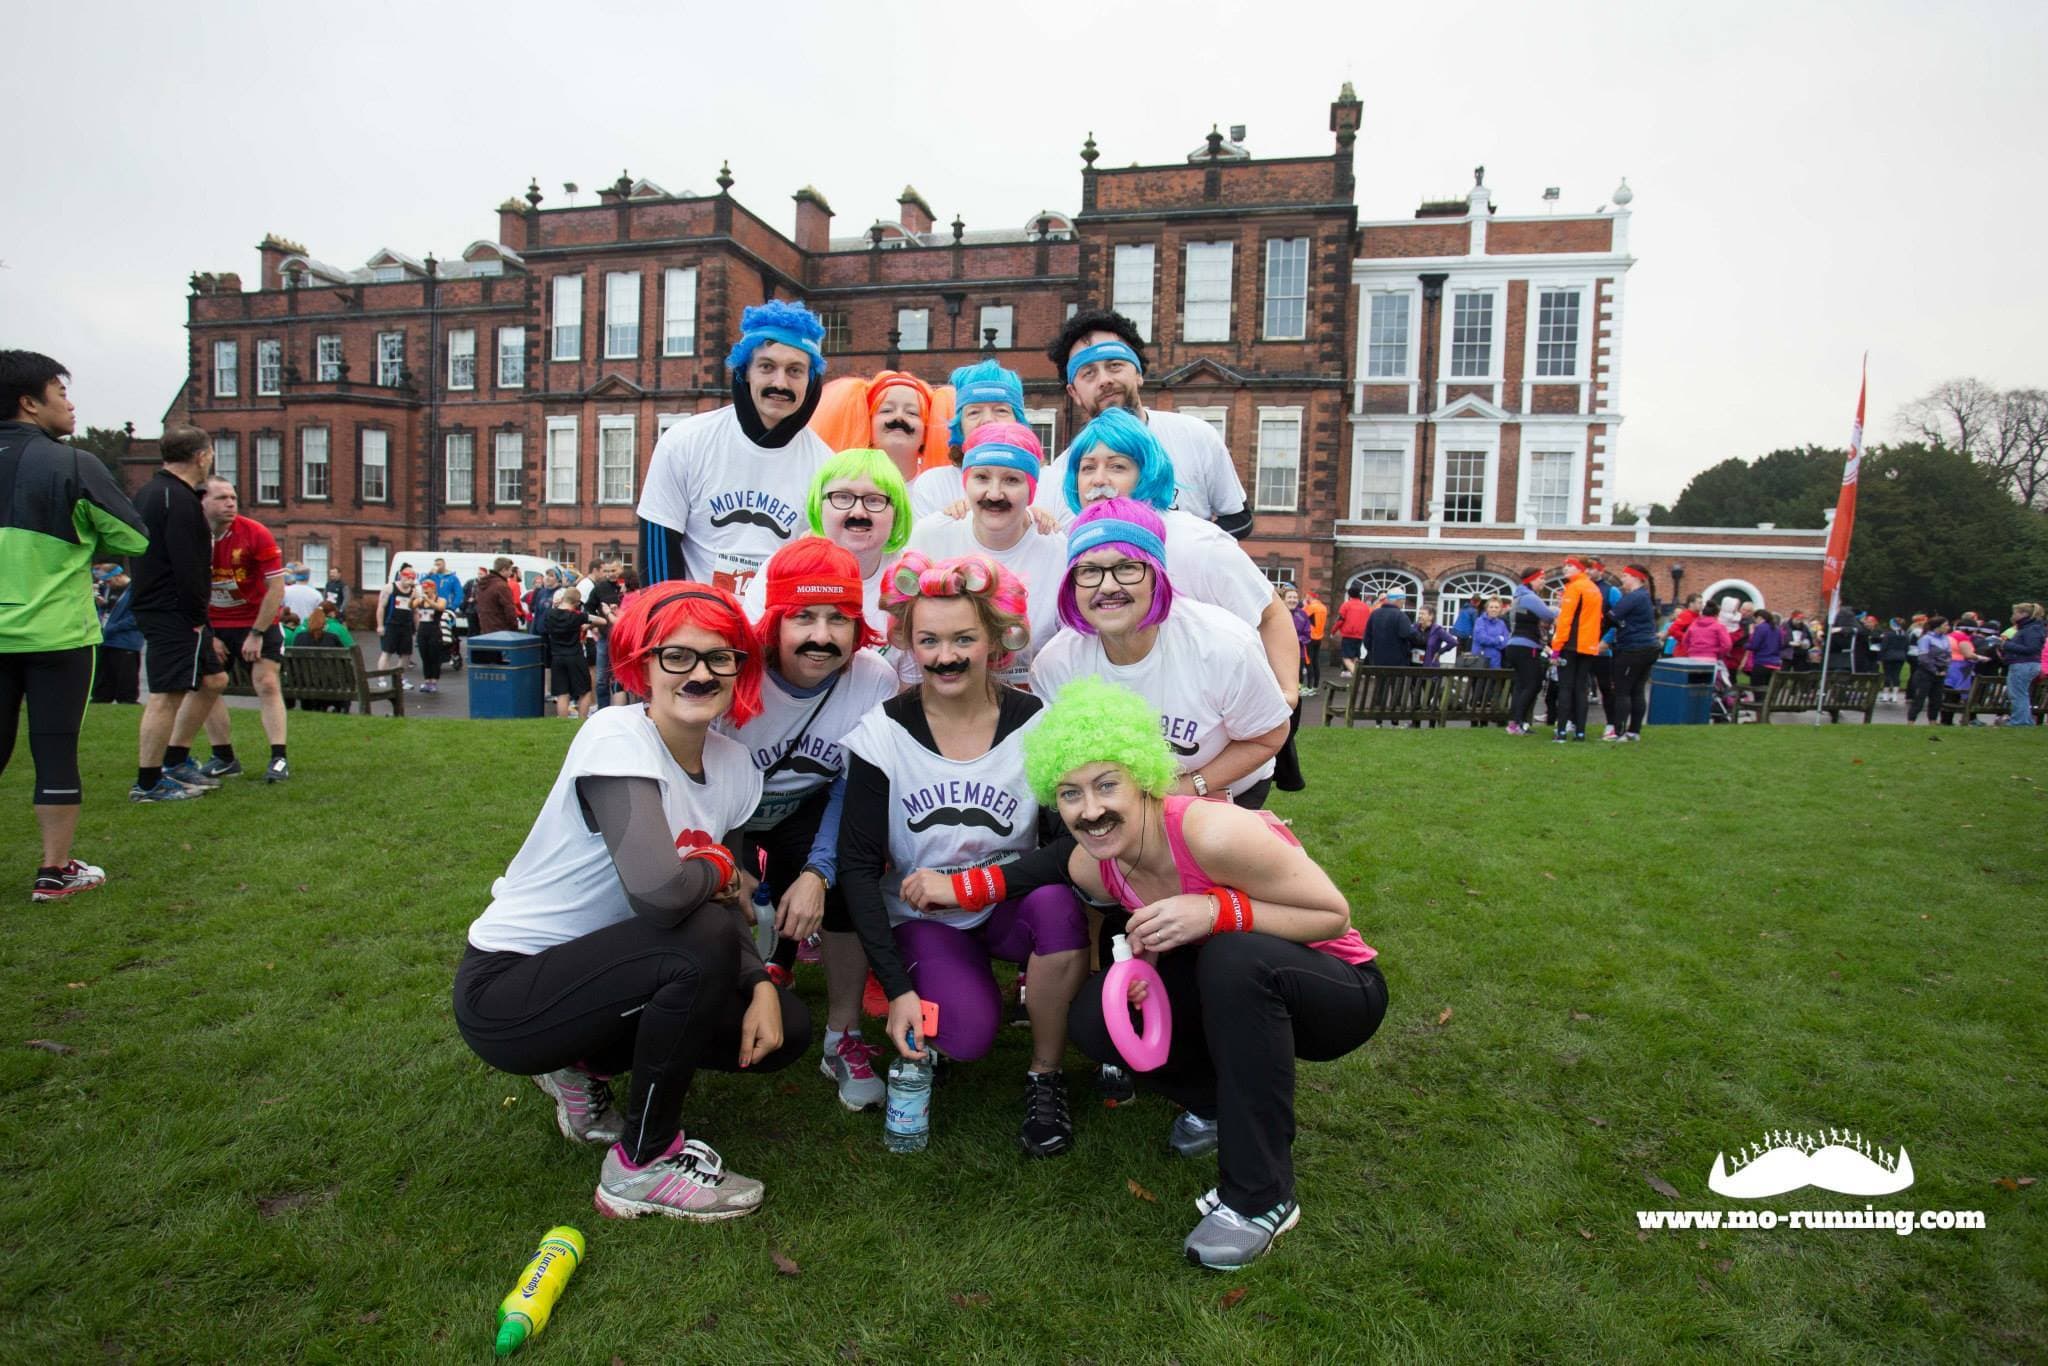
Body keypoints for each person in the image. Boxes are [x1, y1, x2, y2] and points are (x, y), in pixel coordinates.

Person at [905, 676, 1384, 1269]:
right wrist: (1144, 967)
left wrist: (1215, 909)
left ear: (1145, 781)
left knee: (1234, 956)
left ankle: (1261, 1196)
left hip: (1337, 992)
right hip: (1238, 993)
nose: (1092, 810)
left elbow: (1332, 915)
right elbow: (1041, 873)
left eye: (1108, 785)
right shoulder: (1095, 863)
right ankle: (1213, 1104)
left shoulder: (1211, 830)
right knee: (1098, 1017)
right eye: (1071, 794)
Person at [455, 582, 810, 1221]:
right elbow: (661, 893)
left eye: (719, 657)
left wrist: (758, 980)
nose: (700, 673)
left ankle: (580, 1069)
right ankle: (642, 1164)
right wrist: (720, 866)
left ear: (740, 668)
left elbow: (726, 904)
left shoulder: (734, 766)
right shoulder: (615, 735)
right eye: (677, 656)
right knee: (695, 937)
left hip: (609, 973)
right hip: (510, 992)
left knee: (786, 1031)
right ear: (641, 664)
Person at [837, 552, 1091, 1158]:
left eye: (963, 638)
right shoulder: (883, 733)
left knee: (1059, 907)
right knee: (970, 1035)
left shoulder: (1037, 724)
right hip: (923, 919)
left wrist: (975, 885)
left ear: (997, 640)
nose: (945, 656)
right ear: (909, 642)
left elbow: (1069, 848)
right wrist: (896, 988)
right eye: (928, 640)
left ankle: (1045, 1075)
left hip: (1008, 905)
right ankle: (951, 994)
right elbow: (855, 867)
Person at [720, 538, 899, 1109]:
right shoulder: (735, 670)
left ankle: (840, 1036)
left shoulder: (872, 679)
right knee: (715, 898)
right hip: (727, 813)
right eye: (803, 617)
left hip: (805, 807)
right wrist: (728, 860)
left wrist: (819, 872)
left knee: (853, 878)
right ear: (774, 622)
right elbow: (700, 778)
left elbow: (853, 785)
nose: (821, 637)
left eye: (839, 619)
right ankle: (722, 1002)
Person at [1, 351, 149, 896]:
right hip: (55, 633)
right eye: (60, 392)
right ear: (30, 402)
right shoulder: (72, 463)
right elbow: (132, 537)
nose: (71, 402)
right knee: (55, 748)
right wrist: (86, 539)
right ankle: (54, 871)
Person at [1031, 498, 1290, 808]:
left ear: (1157, 575)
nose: (1108, 586)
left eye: (1126, 568)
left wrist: (1188, 788)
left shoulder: (1224, 647)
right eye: (1089, 571)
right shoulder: (1056, 665)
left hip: (1222, 791)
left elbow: (1269, 735)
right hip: (1118, 804)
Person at [639, 300, 835, 593]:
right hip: (699, 627)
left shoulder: (826, 465)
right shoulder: (684, 442)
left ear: (812, 380)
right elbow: (657, 557)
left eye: (795, 371)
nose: (779, 383)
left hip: (776, 629)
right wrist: (672, 626)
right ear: (746, 372)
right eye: (767, 367)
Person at [1038, 309, 1251, 536]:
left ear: (1138, 372)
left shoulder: (1196, 435)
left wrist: (1191, 549)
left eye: (1115, 365)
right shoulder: (1064, 472)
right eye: (1089, 373)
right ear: (1074, 393)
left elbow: (1239, 519)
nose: (1105, 380)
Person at [905, 423, 1067, 689]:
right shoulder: (931, 536)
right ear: (966, 482)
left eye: (1011, 480)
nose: (994, 494)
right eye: (982, 477)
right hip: (944, 696)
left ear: (1031, 490)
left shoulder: (1057, 550)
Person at [744, 446, 914, 663]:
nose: (858, 512)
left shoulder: (909, 578)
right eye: (842, 497)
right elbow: (753, 656)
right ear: (818, 506)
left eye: (874, 500)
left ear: (897, 512)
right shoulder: (782, 568)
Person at [131, 425, 226, 801]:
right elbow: (188, 565)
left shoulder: (156, 493)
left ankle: (175, 760)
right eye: (210, 455)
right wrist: (196, 615)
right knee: (166, 693)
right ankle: (149, 782)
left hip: (173, 607)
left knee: (213, 681)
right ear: (201, 456)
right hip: (173, 610)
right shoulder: (175, 498)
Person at [192, 476, 292, 781]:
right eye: (221, 498)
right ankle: (223, 757)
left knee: (267, 683)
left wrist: (257, 633)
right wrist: (208, 635)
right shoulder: (191, 535)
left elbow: (276, 588)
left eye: (233, 497)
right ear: (202, 502)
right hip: (214, 623)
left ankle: (278, 758)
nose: (230, 503)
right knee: (209, 686)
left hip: (256, 620)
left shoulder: (254, 533)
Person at [908, 360, 1027, 520]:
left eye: (1001, 410)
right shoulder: (933, 484)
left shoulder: (1051, 482)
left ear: (1018, 421)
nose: (987, 420)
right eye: (974, 412)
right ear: (959, 426)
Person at [1549, 558, 1603, 743]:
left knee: (1565, 688)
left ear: (1579, 568)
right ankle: (1580, 731)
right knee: (1581, 689)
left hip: (1571, 644)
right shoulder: (1593, 588)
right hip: (1588, 645)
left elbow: (1566, 619)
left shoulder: (1574, 588)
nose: (1565, 568)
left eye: (1570, 565)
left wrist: (1556, 647)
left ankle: (1562, 731)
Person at [1606, 565, 1659, 741]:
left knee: (1622, 690)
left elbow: (1611, 617)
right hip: (1649, 647)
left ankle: (1619, 732)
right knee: (1637, 690)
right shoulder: (1645, 597)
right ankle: (1633, 731)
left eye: (1625, 576)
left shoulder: (1633, 597)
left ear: (1635, 578)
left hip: (1632, 648)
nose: (1623, 580)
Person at [1504, 569, 1557, 735]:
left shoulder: (1519, 597)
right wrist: (1559, 609)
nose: (1543, 582)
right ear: (1531, 580)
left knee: (1521, 685)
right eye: (1541, 578)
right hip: (1527, 646)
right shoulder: (1529, 597)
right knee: (1533, 684)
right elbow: (1548, 615)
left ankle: (1514, 724)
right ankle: (1518, 723)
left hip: (1514, 645)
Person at [91, 569, 144, 705]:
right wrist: (101, 606)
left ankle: (127, 700)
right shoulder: (107, 590)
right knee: (103, 675)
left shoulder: (136, 590)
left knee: (126, 675)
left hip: (126, 640)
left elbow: (137, 617)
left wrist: (113, 627)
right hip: (106, 640)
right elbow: (107, 611)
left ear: (119, 576)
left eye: (109, 581)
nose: (108, 584)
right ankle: (101, 697)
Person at [541, 586, 595, 717]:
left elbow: (544, 628)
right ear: (576, 603)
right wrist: (587, 624)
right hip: (575, 656)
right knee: (585, 691)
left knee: (562, 693)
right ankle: (582, 720)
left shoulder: (549, 614)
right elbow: (602, 621)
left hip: (557, 657)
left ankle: (562, 722)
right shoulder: (576, 617)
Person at [375, 565, 418, 681]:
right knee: (387, 652)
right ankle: (381, 679)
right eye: (407, 577)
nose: (410, 580)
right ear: (401, 576)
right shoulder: (389, 588)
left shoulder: (414, 592)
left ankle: (399, 679)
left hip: (406, 626)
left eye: (412, 578)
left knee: (406, 654)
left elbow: (415, 611)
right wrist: (380, 625)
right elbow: (381, 607)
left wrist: (417, 629)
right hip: (391, 624)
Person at [2005, 604, 2044, 727]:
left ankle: (2019, 721)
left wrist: (2007, 645)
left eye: (2015, 613)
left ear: (2023, 614)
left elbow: (2032, 648)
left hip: (2023, 664)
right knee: (2022, 693)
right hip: (2027, 663)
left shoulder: (2030, 629)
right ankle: (2026, 721)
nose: (2013, 616)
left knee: (2017, 694)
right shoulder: (2032, 628)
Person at [412, 579, 450, 695]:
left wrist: (428, 599)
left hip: (434, 631)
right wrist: (412, 596)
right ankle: (427, 680)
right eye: (424, 588)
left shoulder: (441, 599)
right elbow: (411, 606)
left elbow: (440, 608)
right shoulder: (420, 600)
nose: (425, 590)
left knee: (434, 657)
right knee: (425, 657)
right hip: (423, 631)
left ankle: (434, 681)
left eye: (427, 588)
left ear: (433, 588)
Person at [1363, 590, 1418, 667]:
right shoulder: (1401, 616)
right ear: (1398, 600)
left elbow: (1367, 639)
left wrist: (1372, 652)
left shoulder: (1374, 614)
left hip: (1377, 662)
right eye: (1403, 600)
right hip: (1397, 663)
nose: (1403, 602)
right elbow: (1408, 634)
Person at [1743, 608, 1784, 703]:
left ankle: (1759, 712)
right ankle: (1766, 709)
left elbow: (1755, 645)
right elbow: (1781, 645)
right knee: (1768, 690)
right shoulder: (1777, 629)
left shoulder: (1760, 628)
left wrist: (1745, 645)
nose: (1755, 622)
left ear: (1760, 618)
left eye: (1755, 619)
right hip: (1775, 663)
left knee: (1757, 689)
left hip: (1762, 663)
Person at [1334, 584, 1371, 681]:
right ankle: (1357, 673)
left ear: (1349, 595)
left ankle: (1356, 674)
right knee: (1355, 656)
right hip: (1360, 635)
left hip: (1348, 634)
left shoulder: (1346, 605)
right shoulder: (1365, 607)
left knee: (1346, 657)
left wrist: (1333, 631)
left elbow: (1340, 620)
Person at [474, 557, 518, 635]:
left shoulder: (483, 584)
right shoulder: (502, 586)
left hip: (485, 627)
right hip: (501, 629)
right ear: (504, 570)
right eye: (510, 570)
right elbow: (509, 609)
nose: (511, 573)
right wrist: (514, 627)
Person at [1471, 596, 1510, 671]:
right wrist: (1498, 639)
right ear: (1487, 609)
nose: (1493, 609)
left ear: (1500, 609)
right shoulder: (1480, 621)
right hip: (1480, 660)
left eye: (1496, 607)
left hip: (1496, 661)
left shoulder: (1501, 623)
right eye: (1491, 607)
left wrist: (1498, 642)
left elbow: (1506, 641)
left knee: (1494, 682)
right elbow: (1482, 639)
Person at [1301, 589, 1327, 694]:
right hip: (1319, 637)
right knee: (1315, 661)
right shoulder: (1323, 607)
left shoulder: (1311, 607)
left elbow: (1301, 615)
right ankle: (1315, 685)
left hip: (1310, 637)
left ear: (1309, 596)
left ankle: (1309, 687)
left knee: (1308, 661)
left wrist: (1304, 605)